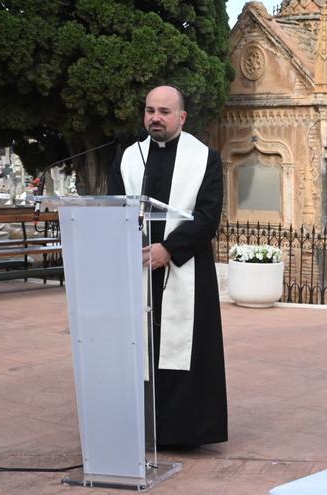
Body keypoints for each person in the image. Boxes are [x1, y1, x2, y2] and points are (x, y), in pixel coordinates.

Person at [108, 85, 227, 447]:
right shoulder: (129, 158)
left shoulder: (204, 157)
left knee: (181, 348)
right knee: (138, 349)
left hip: (184, 269)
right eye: (149, 110)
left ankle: (181, 432)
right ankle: (138, 428)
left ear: (182, 117)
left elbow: (208, 217)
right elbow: (114, 208)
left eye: (163, 111)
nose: (155, 118)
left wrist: (169, 249)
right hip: (136, 269)